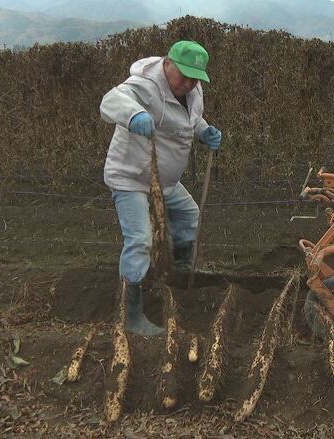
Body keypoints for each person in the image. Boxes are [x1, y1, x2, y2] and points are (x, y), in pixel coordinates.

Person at [100, 40, 222, 336]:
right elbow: (111, 100)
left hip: (165, 182)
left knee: (190, 216)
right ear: (168, 63)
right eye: (184, 75)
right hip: (131, 178)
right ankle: (131, 315)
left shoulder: (192, 89)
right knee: (140, 240)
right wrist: (133, 115)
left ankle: (179, 272)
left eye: (195, 77)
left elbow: (189, 119)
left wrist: (203, 130)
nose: (189, 83)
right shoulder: (146, 85)